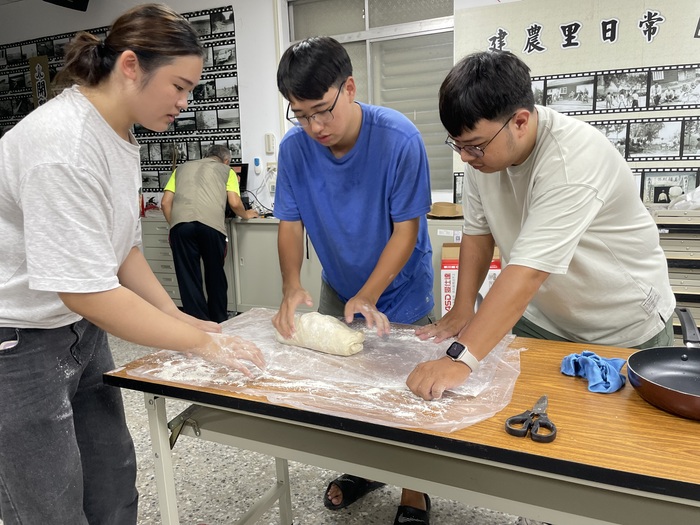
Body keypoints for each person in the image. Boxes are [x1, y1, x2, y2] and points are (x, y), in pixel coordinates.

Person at [0, 5, 264, 525]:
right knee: (48, 507)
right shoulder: (65, 147)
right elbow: (88, 291)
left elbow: (122, 250)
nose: (186, 103)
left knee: (113, 481)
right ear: (129, 66)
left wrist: (180, 317)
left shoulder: (119, 135)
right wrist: (205, 342)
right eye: (179, 86)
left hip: (80, 331)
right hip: (19, 343)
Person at [409, 50, 674, 407]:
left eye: (474, 146)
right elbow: (477, 234)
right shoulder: (482, 161)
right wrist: (462, 307)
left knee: (614, 446)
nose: (465, 157)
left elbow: (528, 272)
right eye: (458, 145)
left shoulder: (572, 161)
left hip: (622, 327)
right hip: (544, 318)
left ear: (519, 121)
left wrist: (459, 358)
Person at [273, 36, 434, 525]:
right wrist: (290, 285)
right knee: (347, 389)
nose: (313, 126)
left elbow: (407, 230)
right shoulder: (295, 149)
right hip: (338, 284)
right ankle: (363, 468)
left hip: (400, 289)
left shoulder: (398, 139)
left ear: (349, 87)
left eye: (321, 110)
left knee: (408, 395)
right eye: (299, 114)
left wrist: (370, 293)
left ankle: (415, 490)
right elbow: (290, 223)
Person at [161, 145, 258, 323]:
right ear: (226, 160)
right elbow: (235, 203)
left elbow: (166, 203)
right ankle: (219, 319)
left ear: (206, 156)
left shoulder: (181, 169)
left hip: (181, 226)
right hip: (211, 226)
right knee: (215, 274)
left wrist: (176, 225)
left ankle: (198, 322)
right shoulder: (227, 171)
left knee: (188, 276)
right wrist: (247, 214)